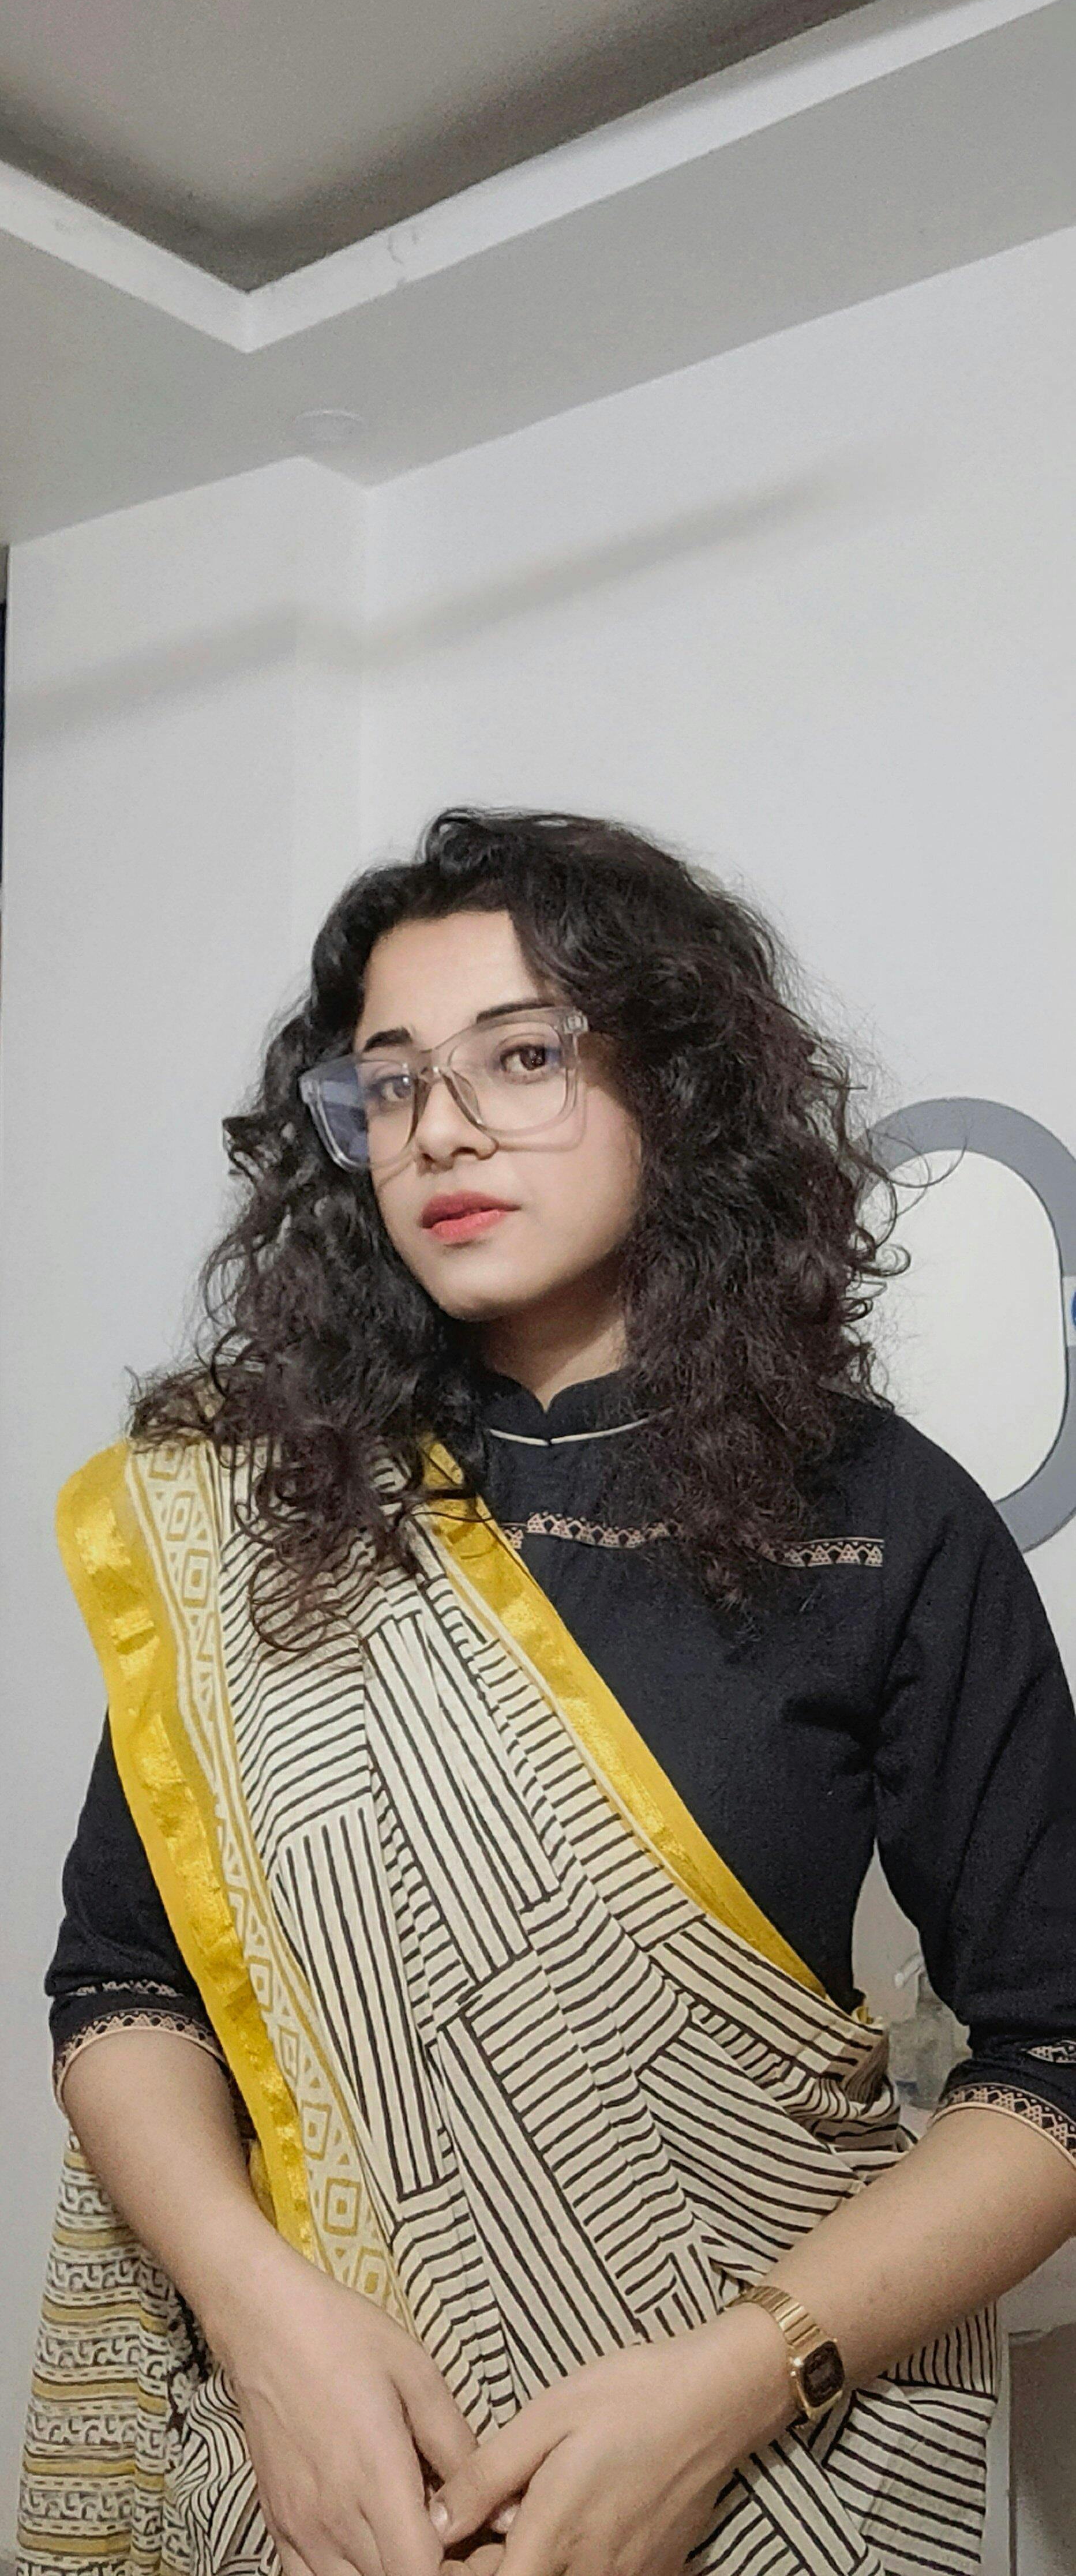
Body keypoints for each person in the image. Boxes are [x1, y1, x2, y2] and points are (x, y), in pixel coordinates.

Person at [19, 807, 1076, 2576]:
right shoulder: (253, 1507)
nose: (440, 1126)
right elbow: (124, 1982)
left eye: (521, 1056)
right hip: (323, 2489)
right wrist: (262, 2323)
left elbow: (1054, 2057)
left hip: (757, 2483)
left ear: (679, 1084)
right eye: (390, 1082)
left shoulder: (880, 1518)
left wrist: (730, 2387)